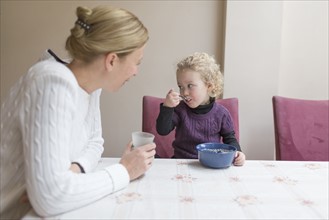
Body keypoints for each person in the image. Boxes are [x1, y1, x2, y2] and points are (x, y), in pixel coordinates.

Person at [0, 5, 156, 219]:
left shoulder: (90, 87)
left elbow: (95, 142)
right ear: (111, 60)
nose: (136, 71)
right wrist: (125, 171)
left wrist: (73, 172)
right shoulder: (52, 82)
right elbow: (51, 198)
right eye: (137, 62)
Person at [156, 52, 245, 165]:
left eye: (190, 86)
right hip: (181, 163)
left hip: (209, 164)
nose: (184, 92)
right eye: (180, 87)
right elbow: (162, 130)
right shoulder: (179, 109)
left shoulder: (221, 113)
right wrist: (167, 107)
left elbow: (230, 138)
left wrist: (238, 153)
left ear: (209, 86)